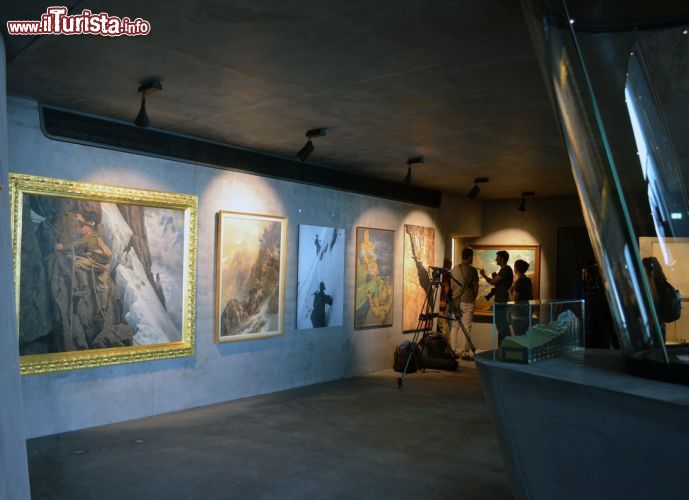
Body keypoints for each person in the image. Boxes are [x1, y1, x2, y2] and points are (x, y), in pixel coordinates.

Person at [450, 248, 479, 360]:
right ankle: (465, 353)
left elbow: (452, 286)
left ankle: (453, 350)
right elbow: (476, 287)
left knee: (454, 327)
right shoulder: (473, 271)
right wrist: (473, 298)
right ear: (469, 256)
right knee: (467, 327)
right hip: (468, 300)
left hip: (456, 301)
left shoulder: (454, 269)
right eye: (472, 256)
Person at [480, 250, 513, 343]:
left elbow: (492, 282)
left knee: (502, 326)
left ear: (502, 259)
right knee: (501, 326)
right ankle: (503, 349)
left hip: (501, 302)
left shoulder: (505, 269)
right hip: (501, 301)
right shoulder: (505, 269)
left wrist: (483, 275)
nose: (495, 259)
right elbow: (495, 282)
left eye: (497, 258)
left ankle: (505, 348)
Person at [509, 259, 534, 336]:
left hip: (518, 315)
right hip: (527, 314)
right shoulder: (528, 280)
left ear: (516, 268)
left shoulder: (519, 282)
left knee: (519, 339)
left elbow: (514, 300)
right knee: (525, 339)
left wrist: (510, 291)